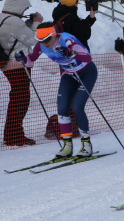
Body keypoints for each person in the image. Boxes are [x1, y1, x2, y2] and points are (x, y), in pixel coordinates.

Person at [21, 22, 98, 159]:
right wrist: (23, 59)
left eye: (47, 40)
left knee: (77, 107)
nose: (45, 44)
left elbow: (87, 57)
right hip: (69, 74)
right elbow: (31, 60)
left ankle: (86, 145)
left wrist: (70, 53)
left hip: (86, 73)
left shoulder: (67, 40)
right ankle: (67, 146)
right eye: (41, 41)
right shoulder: (42, 45)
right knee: (62, 108)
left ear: (53, 35)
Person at [0, 0, 41, 146]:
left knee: (17, 98)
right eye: (24, 8)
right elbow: (32, 39)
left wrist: (28, 24)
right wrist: (36, 23)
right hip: (17, 65)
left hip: (8, 64)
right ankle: (14, 135)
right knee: (21, 100)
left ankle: (11, 133)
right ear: (18, 5)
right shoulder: (14, 22)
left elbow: (16, 36)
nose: (25, 12)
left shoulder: (2, 17)